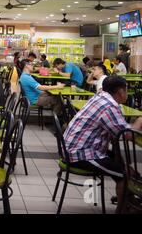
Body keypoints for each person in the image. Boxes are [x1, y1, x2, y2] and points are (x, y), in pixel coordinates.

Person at [63, 76, 142, 214]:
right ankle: (123, 209)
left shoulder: (100, 97)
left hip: (76, 147)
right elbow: (126, 134)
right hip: (82, 153)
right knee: (123, 174)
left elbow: (115, 132)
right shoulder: (109, 106)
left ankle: (129, 201)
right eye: (126, 90)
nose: (127, 93)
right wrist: (140, 120)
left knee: (125, 167)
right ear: (120, 92)